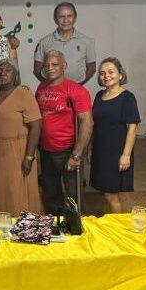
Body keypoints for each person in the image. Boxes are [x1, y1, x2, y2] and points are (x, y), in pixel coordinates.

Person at [0, 59, 43, 217]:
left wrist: (29, 157)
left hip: (18, 151)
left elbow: (36, 127)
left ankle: (19, 226)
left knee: (15, 191)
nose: (3, 73)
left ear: (15, 75)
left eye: (7, 71)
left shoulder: (23, 94)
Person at [35, 50, 93, 215]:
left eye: (55, 64)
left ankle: (79, 226)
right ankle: (56, 225)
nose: (50, 68)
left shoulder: (76, 90)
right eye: (47, 65)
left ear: (64, 66)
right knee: (51, 194)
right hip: (46, 151)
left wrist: (76, 155)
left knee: (74, 196)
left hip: (67, 151)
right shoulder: (41, 87)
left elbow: (87, 123)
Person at [89, 58, 140, 213]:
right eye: (102, 73)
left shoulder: (127, 98)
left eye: (111, 72)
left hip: (116, 153)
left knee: (112, 195)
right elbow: (95, 125)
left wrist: (126, 155)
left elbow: (132, 128)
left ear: (120, 75)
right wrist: (90, 149)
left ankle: (117, 225)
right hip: (100, 152)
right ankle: (109, 222)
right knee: (104, 192)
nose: (106, 76)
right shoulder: (99, 96)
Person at [33, 2, 96, 84]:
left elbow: (92, 68)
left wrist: (77, 87)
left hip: (76, 89)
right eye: (61, 17)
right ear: (55, 19)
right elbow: (37, 70)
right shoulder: (44, 42)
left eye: (69, 16)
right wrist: (51, 86)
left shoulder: (87, 41)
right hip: (51, 90)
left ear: (75, 18)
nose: (65, 20)